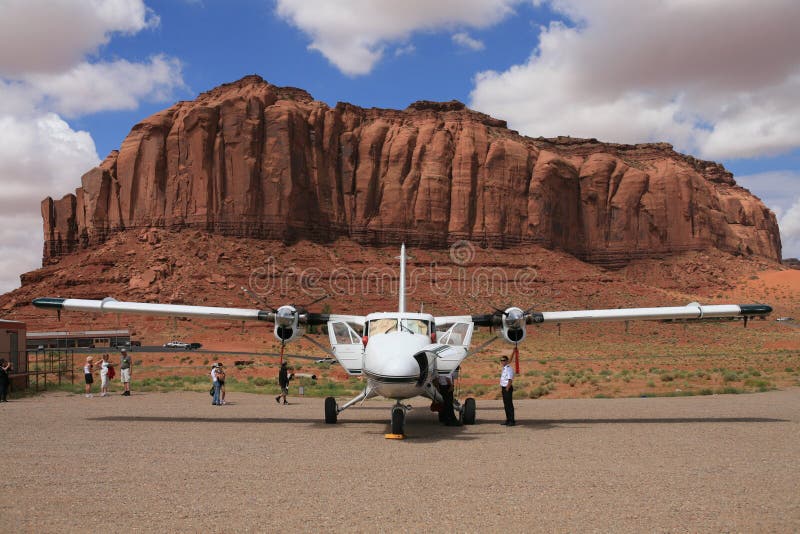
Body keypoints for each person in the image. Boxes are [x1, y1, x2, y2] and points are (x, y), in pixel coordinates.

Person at [499, 355, 515, 426]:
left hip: (507, 388)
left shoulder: (509, 369)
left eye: (504, 360)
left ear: (506, 361)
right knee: (506, 405)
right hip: (504, 388)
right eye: (501, 360)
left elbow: (510, 380)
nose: (502, 361)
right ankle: (508, 420)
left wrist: (507, 389)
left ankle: (511, 421)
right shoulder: (504, 368)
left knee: (509, 405)